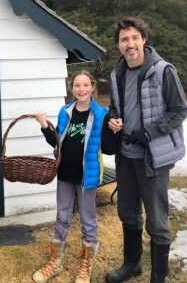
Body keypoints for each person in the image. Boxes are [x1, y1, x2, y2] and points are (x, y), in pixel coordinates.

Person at [105, 17, 187, 283]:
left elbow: (179, 110)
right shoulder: (117, 73)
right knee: (127, 213)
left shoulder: (164, 70)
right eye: (124, 40)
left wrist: (150, 132)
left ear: (144, 39)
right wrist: (113, 118)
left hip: (154, 157)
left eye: (134, 38)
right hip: (125, 155)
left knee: (157, 222)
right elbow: (116, 107)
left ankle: (158, 277)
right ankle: (132, 265)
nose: (130, 44)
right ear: (119, 45)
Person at [32, 70, 117, 283]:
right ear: (72, 88)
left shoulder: (101, 113)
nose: (81, 89)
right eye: (77, 85)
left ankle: (86, 264)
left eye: (85, 85)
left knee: (88, 220)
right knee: (62, 216)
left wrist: (114, 130)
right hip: (64, 173)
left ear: (92, 87)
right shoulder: (65, 111)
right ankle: (56, 262)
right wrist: (44, 126)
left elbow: (108, 148)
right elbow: (57, 143)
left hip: (86, 177)